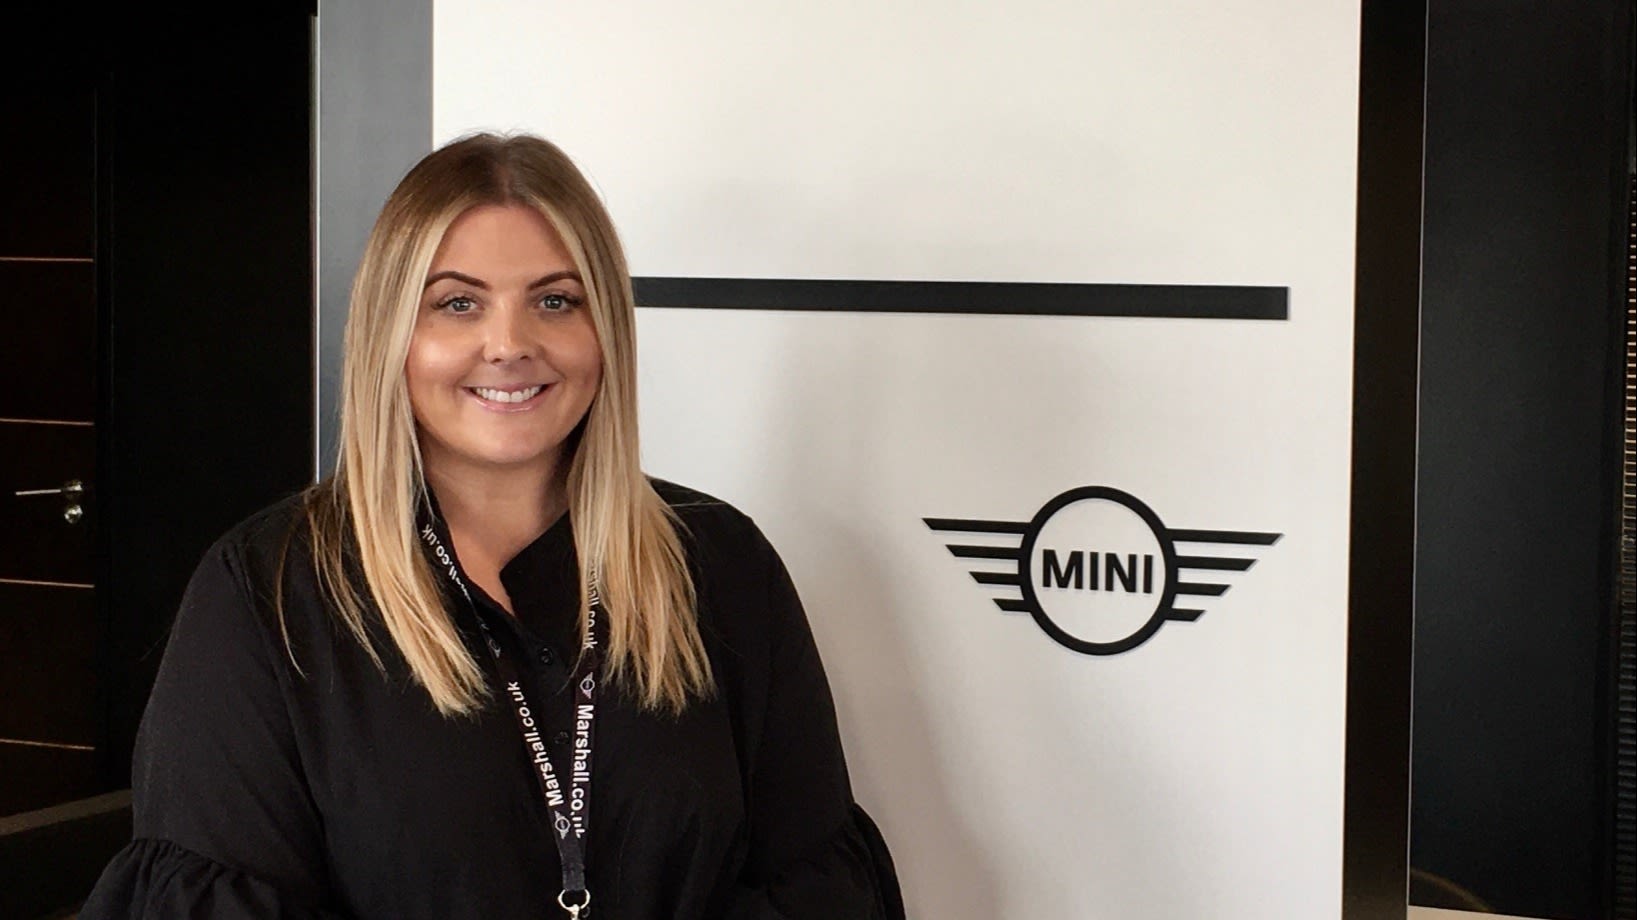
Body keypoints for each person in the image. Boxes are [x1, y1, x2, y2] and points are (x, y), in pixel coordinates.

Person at [81, 133, 898, 919]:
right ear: (392, 335)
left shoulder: (722, 563)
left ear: (604, 330)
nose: (508, 344)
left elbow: (812, 887)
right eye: (457, 303)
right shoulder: (267, 592)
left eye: (555, 300)